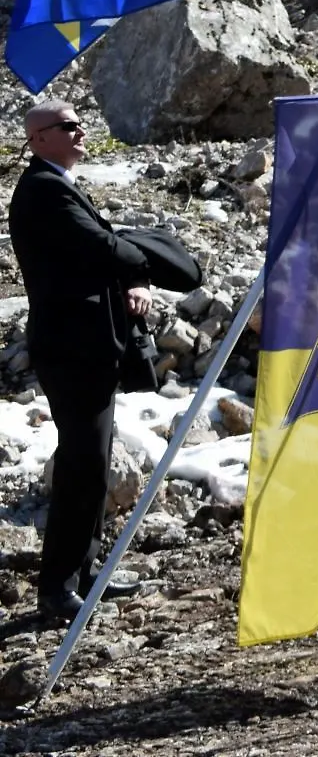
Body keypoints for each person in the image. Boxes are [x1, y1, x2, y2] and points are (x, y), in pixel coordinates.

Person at [9, 101, 151, 622]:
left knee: (93, 461)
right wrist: (146, 263)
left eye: (80, 123)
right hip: (71, 349)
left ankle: (84, 574)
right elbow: (98, 244)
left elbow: (97, 251)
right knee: (81, 464)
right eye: (68, 125)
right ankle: (58, 588)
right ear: (39, 139)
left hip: (87, 346)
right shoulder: (43, 190)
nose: (81, 130)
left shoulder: (57, 184)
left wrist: (132, 274)